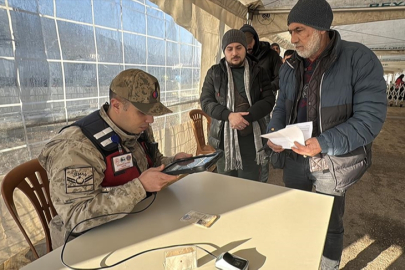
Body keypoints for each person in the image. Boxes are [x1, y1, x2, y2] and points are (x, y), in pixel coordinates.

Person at [265, 0, 387, 269]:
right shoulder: (289, 67)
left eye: (299, 30)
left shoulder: (359, 59)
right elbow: (280, 107)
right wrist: (274, 133)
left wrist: (324, 142)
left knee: (329, 224)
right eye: (290, 31)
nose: (293, 39)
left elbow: (370, 119)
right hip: (296, 158)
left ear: (321, 28)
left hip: (332, 161)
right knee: (296, 216)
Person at [39, 69, 192, 248]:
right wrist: (139, 187)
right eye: (143, 112)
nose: (150, 119)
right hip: (90, 243)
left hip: (137, 219)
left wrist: (174, 162)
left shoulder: (137, 127)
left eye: (152, 111)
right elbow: (76, 217)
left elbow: (153, 162)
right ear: (116, 105)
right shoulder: (76, 147)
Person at [200, 29, 275, 181]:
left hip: (251, 141)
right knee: (226, 184)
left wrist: (247, 117)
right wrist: (229, 116)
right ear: (224, 51)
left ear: (245, 48)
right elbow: (206, 101)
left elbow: (268, 100)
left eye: (238, 47)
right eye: (230, 48)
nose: (234, 53)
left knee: (249, 184)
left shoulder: (259, 72)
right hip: (223, 140)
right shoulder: (214, 73)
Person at [240, 24, 282, 182]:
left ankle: (262, 180)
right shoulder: (239, 55)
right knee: (246, 146)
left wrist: (267, 87)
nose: (247, 48)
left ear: (255, 40)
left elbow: (281, 77)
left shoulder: (271, 55)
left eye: (250, 44)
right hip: (243, 109)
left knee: (263, 145)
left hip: (263, 108)